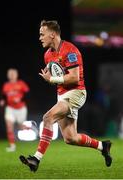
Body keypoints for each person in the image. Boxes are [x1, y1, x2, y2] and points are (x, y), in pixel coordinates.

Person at [19, 20, 112, 171]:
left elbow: (74, 78)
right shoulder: (47, 55)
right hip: (62, 95)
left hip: (76, 93)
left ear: (53, 34)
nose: (40, 38)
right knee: (70, 138)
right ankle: (103, 146)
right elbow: (58, 78)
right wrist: (52, 80)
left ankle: (36, 159)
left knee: (47, 117)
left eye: (42, 34)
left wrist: (52, 79)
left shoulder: (70, 50)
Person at [0, 68, 30, 152]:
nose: (12, 75)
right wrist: (2, 101)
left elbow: (27, 95)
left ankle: (31, 128)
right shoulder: (6, 85)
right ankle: (12, 146)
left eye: (13, 74)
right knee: (9, 127)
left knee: (20, 127)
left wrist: (20, 99)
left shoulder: (21, 84)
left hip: (21, 108)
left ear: (16, 75)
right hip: (10, 108)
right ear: (8, 75)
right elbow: (4, 96)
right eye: (10, 74)